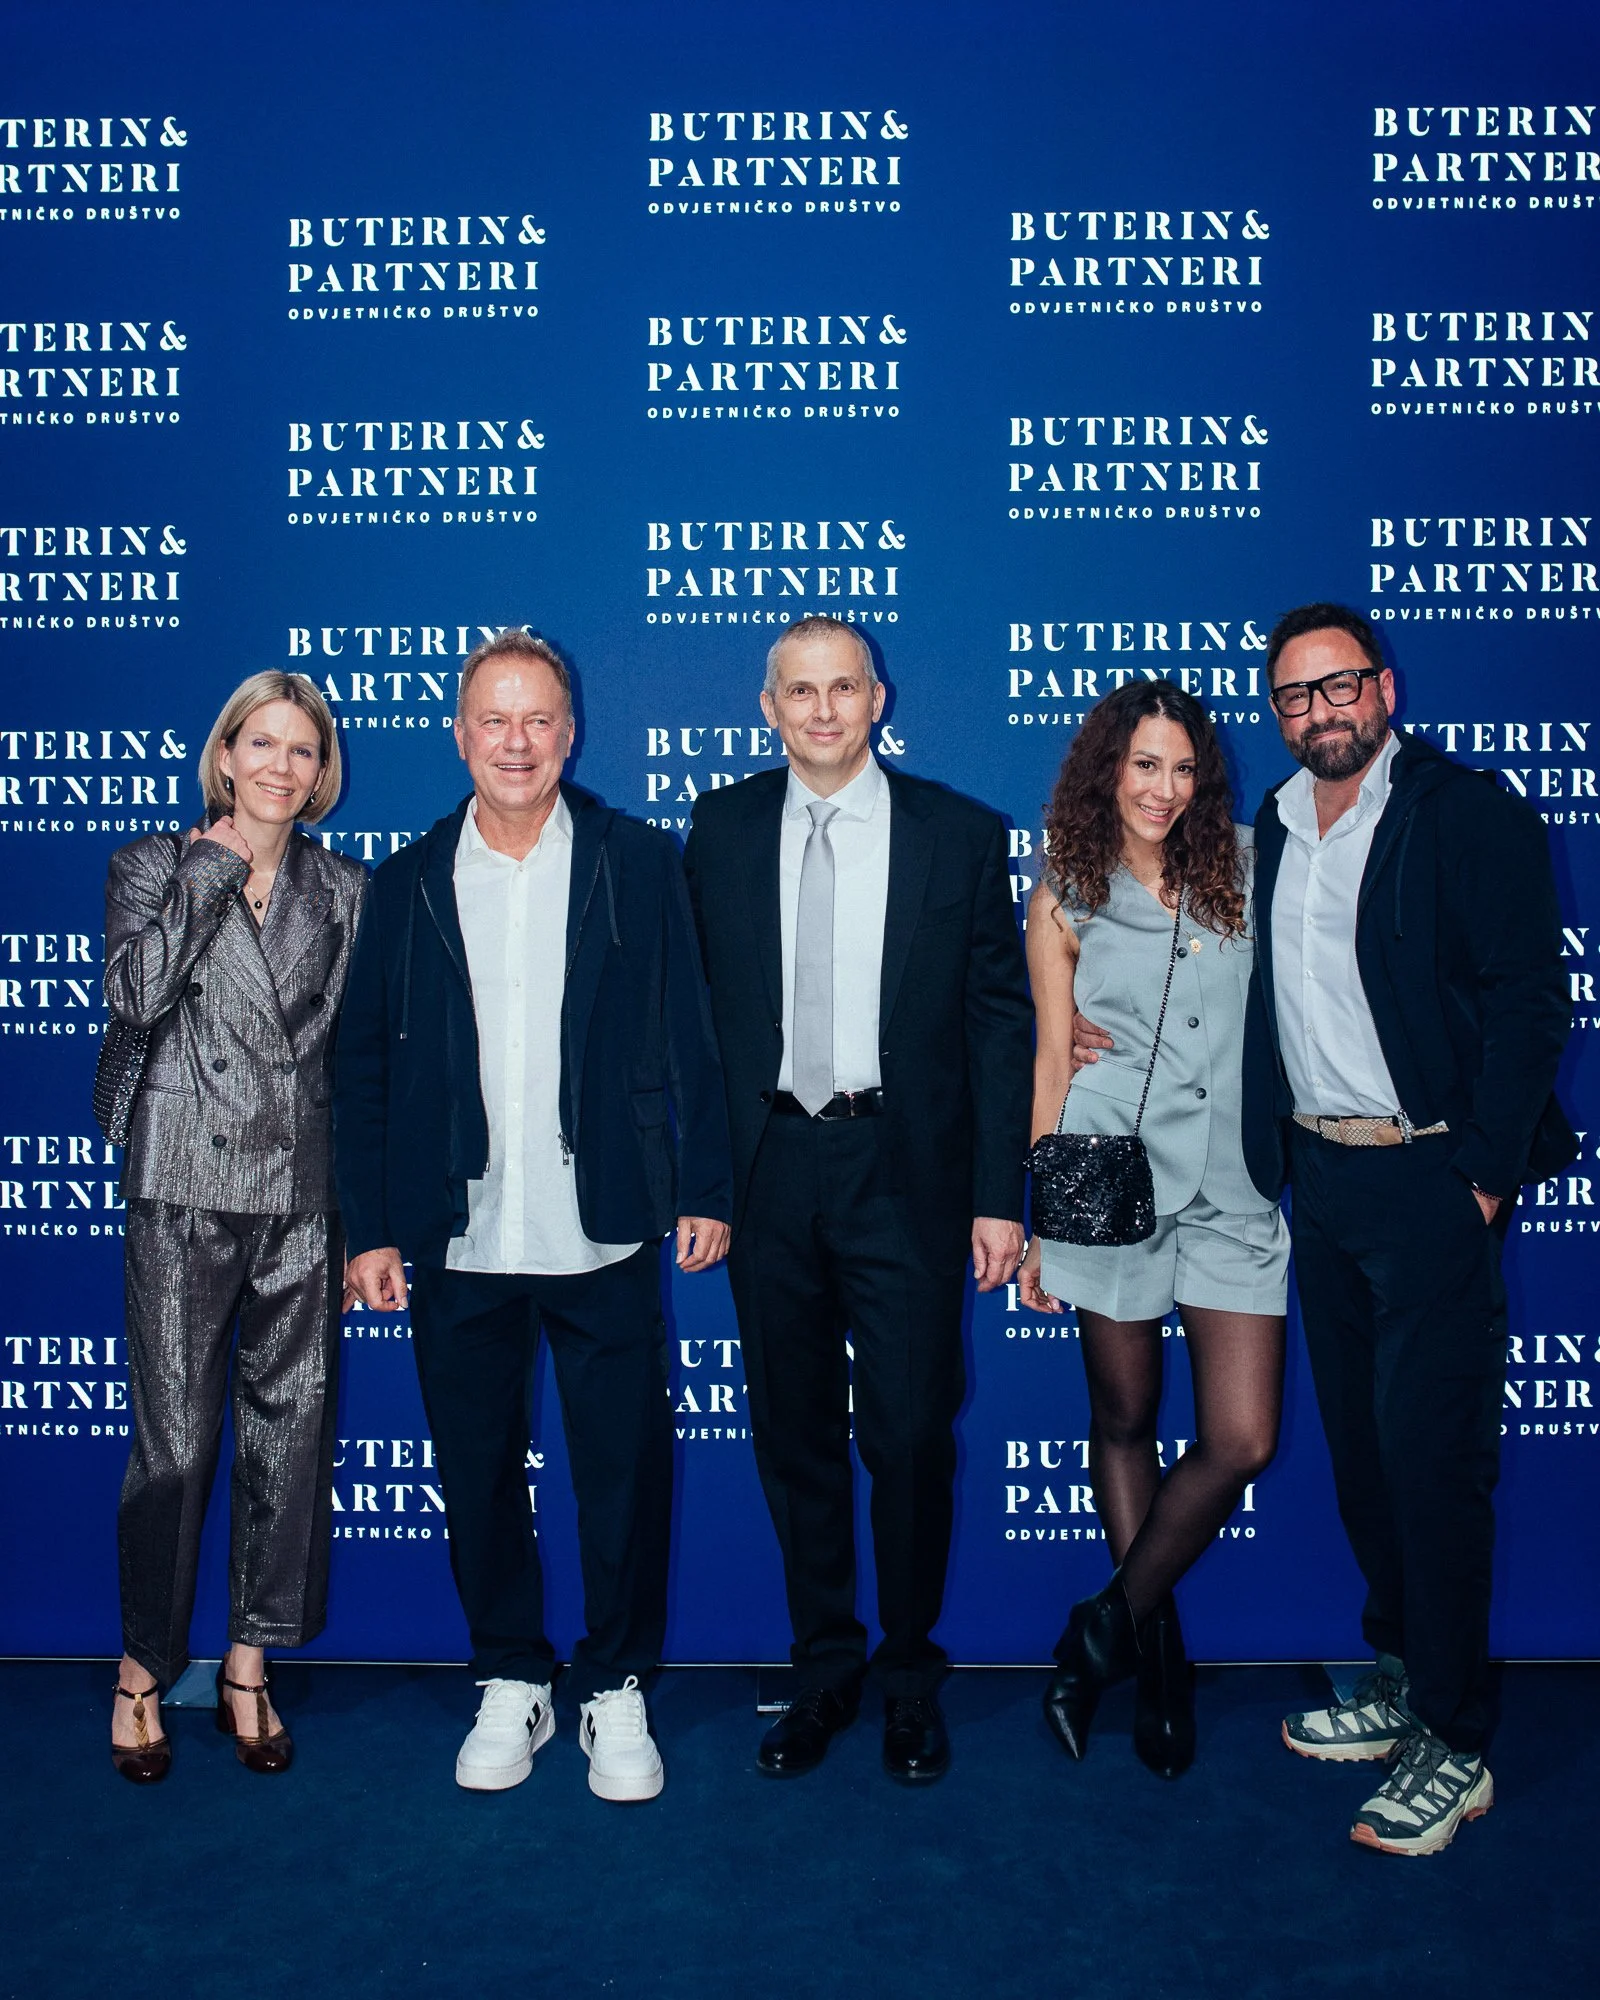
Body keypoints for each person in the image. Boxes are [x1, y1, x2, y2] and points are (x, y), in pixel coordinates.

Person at [333, 628, 731, 1805]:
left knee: (621, 1469)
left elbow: (690, 1032)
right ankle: (511, 1671)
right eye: (493, 720)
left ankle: (614, 1682)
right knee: (474, 1469)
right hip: (455, 1234)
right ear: (458, 735)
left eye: (537, 719)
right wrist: (369, 1225)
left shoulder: (635, 859)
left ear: (571, 732)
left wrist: (703, 1184)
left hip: (600, 1225)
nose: (516, 741)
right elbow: (360, 1067)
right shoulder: (405, 881)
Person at [1246, 603, 1573, 1855]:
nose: (1319, 711)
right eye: (1294, 696)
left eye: (1338, 687)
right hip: (1319, 1184)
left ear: (1382, 688)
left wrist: (1482, 1177)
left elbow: (1528, 998)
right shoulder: (1271, 827)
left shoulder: (1462, 809)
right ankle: (1397, 1671)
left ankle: (1456, 1734)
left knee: (1433, 1463)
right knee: (1367, 1453)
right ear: (1276, 713)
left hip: (1432, 1179)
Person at [684, 615, 1033, 1784]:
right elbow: (693, 1027)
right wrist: (699, 1179)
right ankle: (825, 1664)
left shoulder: (959, 834)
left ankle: (908, 1674)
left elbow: (998, 1022)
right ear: (767, 708)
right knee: (792, 1435)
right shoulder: (720, 828)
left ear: (878, 698)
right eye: (800, 691)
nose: (823, 709)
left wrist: (999, 1195)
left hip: (910, 1176)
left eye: (843, 688)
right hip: (769, 1174)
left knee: (910, 1434)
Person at [1019, 682, 1289, 1779]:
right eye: (1142, 766)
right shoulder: (1063, 891)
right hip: (1105, 1183)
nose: (1163, 790)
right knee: (1122, 1416)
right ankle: (1159, 1661)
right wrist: (1038, 1220)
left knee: (1240, 1438)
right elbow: (1048, 1057)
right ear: (1105, 768)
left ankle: (1103, 1628)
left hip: (1230, 1186)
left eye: (1181, 769)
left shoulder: (1248, 863)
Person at [104, 671, 365, 1782]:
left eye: (302, 750)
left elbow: (350, 1054)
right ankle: (142, 1668)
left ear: (321, 774)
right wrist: (214, 866)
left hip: (300, 1194)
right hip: (179, 1182)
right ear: (225, 755)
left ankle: (249, 1661)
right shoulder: (152, 863)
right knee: (176, 1448)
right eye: (262, 743)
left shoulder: (346, 887)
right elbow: (134, 993)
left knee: (289, 1442)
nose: (280, 766)